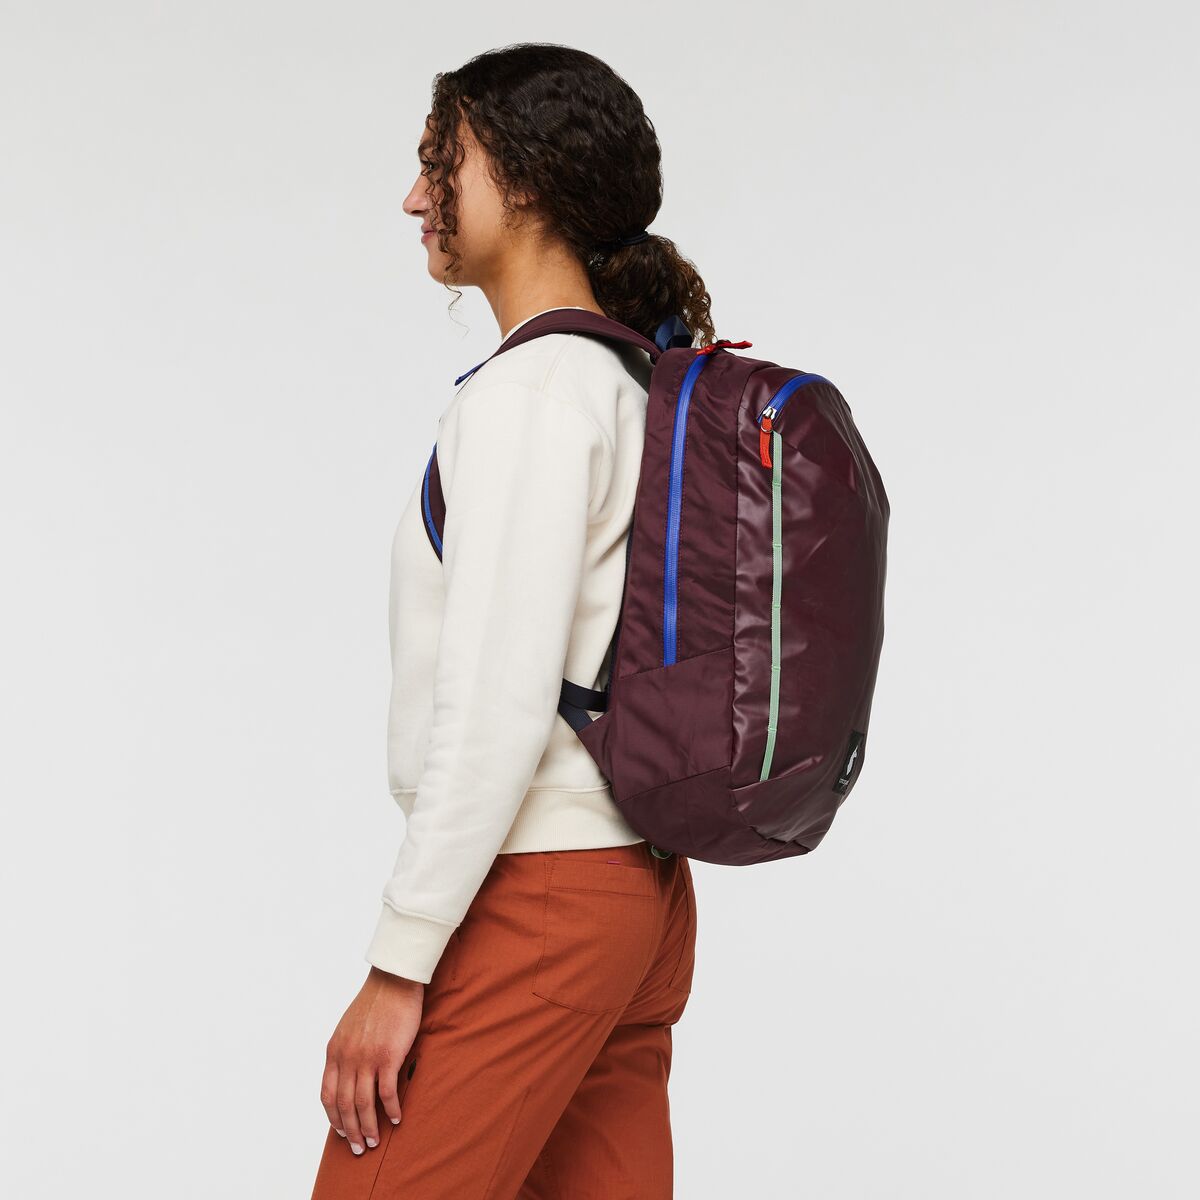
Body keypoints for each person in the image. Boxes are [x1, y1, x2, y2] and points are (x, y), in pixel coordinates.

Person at [310, 43, 716, 1200]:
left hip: (540, 893)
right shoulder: (637, 381)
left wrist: (399, 963)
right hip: (635, 892)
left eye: (439, 162)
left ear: (523, 181)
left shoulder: (532, 395)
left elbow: (497, 703)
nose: (415, 197)